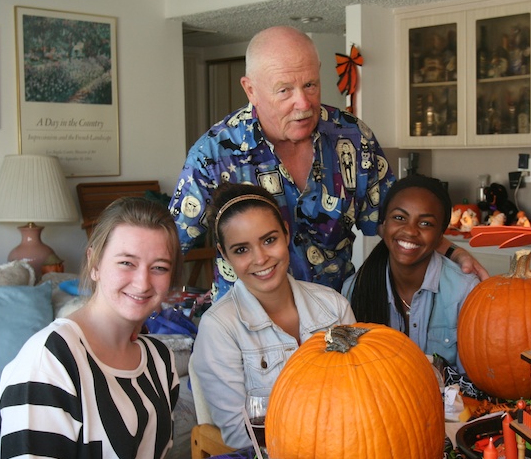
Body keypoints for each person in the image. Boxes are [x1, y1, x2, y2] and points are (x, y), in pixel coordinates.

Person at [169, 25, 486, 300]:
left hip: (333, 324)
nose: (303, 103)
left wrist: (453, 252)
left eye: (310, 84)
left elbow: (394, 220)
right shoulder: (213, 154)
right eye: (285, 90)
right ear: (251, 89)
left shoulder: (353, 138)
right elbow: (170, 247)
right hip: (247, 334)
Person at [0, 197, 184, 459]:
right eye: (126, 262)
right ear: (94, 263)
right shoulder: (50, 360)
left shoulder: (160, 361)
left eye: (159, 267)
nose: (143, 282)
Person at [190, 182, 356, 448]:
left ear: (286, 234)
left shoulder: (334, 307)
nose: (261, 258)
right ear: (224, 255)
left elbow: (361, 391)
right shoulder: (220, 328)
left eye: (269, 240)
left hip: (349, 450)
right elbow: (239, 435)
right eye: (241, 249)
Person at [342, 175, 479, 369]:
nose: (410, 231)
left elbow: (474, 379)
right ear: (384, 224)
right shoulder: (354, 289)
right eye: (399, 218)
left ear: (441, 235)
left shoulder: (465, 292)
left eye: (425, 223)